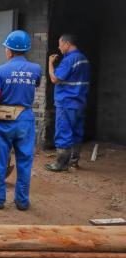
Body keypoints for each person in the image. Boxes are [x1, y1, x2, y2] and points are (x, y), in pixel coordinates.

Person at [0, 30, 42, 211]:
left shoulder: (1, 70)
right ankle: (22, 201)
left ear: (9, 50)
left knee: (1, 160)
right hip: (25, 120)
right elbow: (35, 84)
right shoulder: (36, 69)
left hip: (5, 121)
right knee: (25, 160)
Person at [45, 34, 90, 171]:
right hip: (80, 102)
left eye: (60, 44)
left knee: (64, 131)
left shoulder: (69, 60)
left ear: (67, 44)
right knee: (77, 132)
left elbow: (55, 79)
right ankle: (73, 161)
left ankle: (60, 164)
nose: (59, 47)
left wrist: (50, 64)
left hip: (66, 102)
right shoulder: (83, 59)